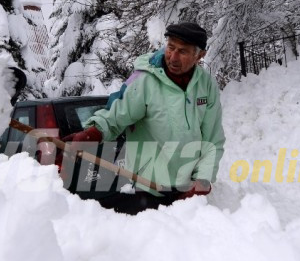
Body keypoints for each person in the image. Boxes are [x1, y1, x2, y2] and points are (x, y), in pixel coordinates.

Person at [63, 22, 225, 215]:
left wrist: (201, 182)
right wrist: (92, 133)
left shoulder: (206, 85)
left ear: (199, 55)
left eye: (182, 51)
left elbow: (213, 139)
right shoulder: (145, 81)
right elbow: (116, 116)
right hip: (147, 188)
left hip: (187, 190)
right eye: (170, 47)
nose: (173, 56)